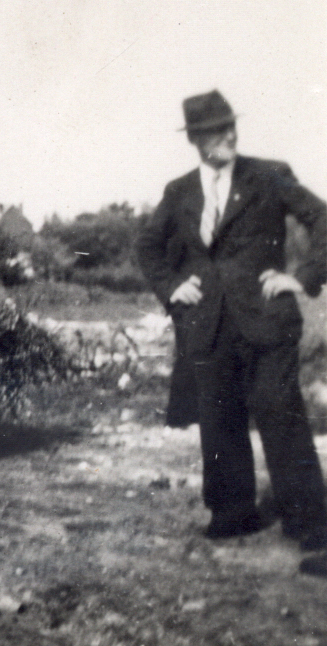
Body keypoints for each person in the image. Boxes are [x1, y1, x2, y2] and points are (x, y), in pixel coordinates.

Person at [136, 90, 327, 550]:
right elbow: (148, 246)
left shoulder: (269, 175)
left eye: (230, 125)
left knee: (279, 412)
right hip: (207, 324)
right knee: (218, 417)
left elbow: (322, 218)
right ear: (196, 140)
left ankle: (310, 521)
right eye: (216, 130)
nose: (229, 134)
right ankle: (231, 512)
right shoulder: (179, 191)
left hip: (267, 319)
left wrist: (303, 277)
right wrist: (172, 288)